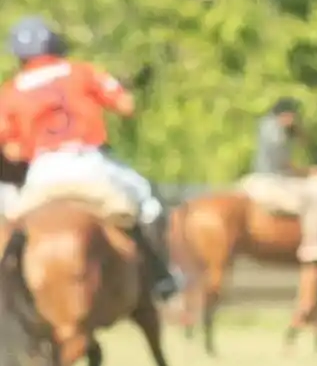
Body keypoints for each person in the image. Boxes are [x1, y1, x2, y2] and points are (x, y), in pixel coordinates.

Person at [0, 16, 182, 300]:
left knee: (11, 227)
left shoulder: (9, 92)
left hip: (42, 173)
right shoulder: (81, 72)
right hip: (90, 165)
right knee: (148, 204)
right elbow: (126, 105)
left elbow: (12, 150)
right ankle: (161, 277)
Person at [249, 97, 317, 263]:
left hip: (266, 179)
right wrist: (310, 171)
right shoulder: (275, 132)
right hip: (272, 183)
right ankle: (312, 244)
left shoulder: (267, 126)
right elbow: (284, 165)